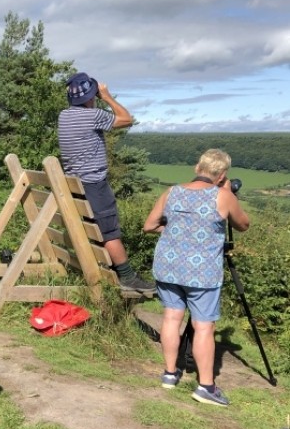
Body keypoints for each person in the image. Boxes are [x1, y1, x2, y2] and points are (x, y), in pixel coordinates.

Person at [143, 149, 250, 407]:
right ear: (223, 175)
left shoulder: (172, 192)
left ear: (196, 168)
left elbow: (149, 225)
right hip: (202, 272)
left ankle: (170, 374)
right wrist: (227, 192)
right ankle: (206, 386)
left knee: (171, 317)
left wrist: (173, 230)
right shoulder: (223, 196)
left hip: (168, 265)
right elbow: (243, 224)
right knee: (204, 327)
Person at [57, 72, 155, 293]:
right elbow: (127, 119)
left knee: (95, 230)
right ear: (91, 96)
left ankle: (108, 272)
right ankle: (127, 277)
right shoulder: (92, 116)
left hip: (75, 186)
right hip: (94, 186)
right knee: (109, 232)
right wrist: (107, 97)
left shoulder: (64, 116)